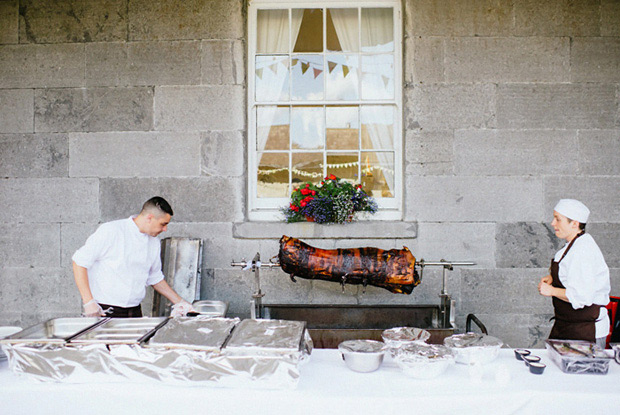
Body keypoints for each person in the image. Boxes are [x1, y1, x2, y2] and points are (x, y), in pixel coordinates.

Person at [72, 196, 194, 318]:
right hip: (104, 310)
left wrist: (180, 302)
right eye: (163, 224)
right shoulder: (111, 231)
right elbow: (79, 262)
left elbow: (154, 277)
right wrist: (88, 302)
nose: (165, 229)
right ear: (149, 218)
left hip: (134, 311)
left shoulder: (154, 242)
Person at [538, 199, 610, 348]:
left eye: (558, 219)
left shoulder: (583, 250)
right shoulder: (574, 244)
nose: (553, 223)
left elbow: (582, 296)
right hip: (568, 326)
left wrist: (551, 290)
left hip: (584, 331)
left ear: (575, 224)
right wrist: (554, 278)